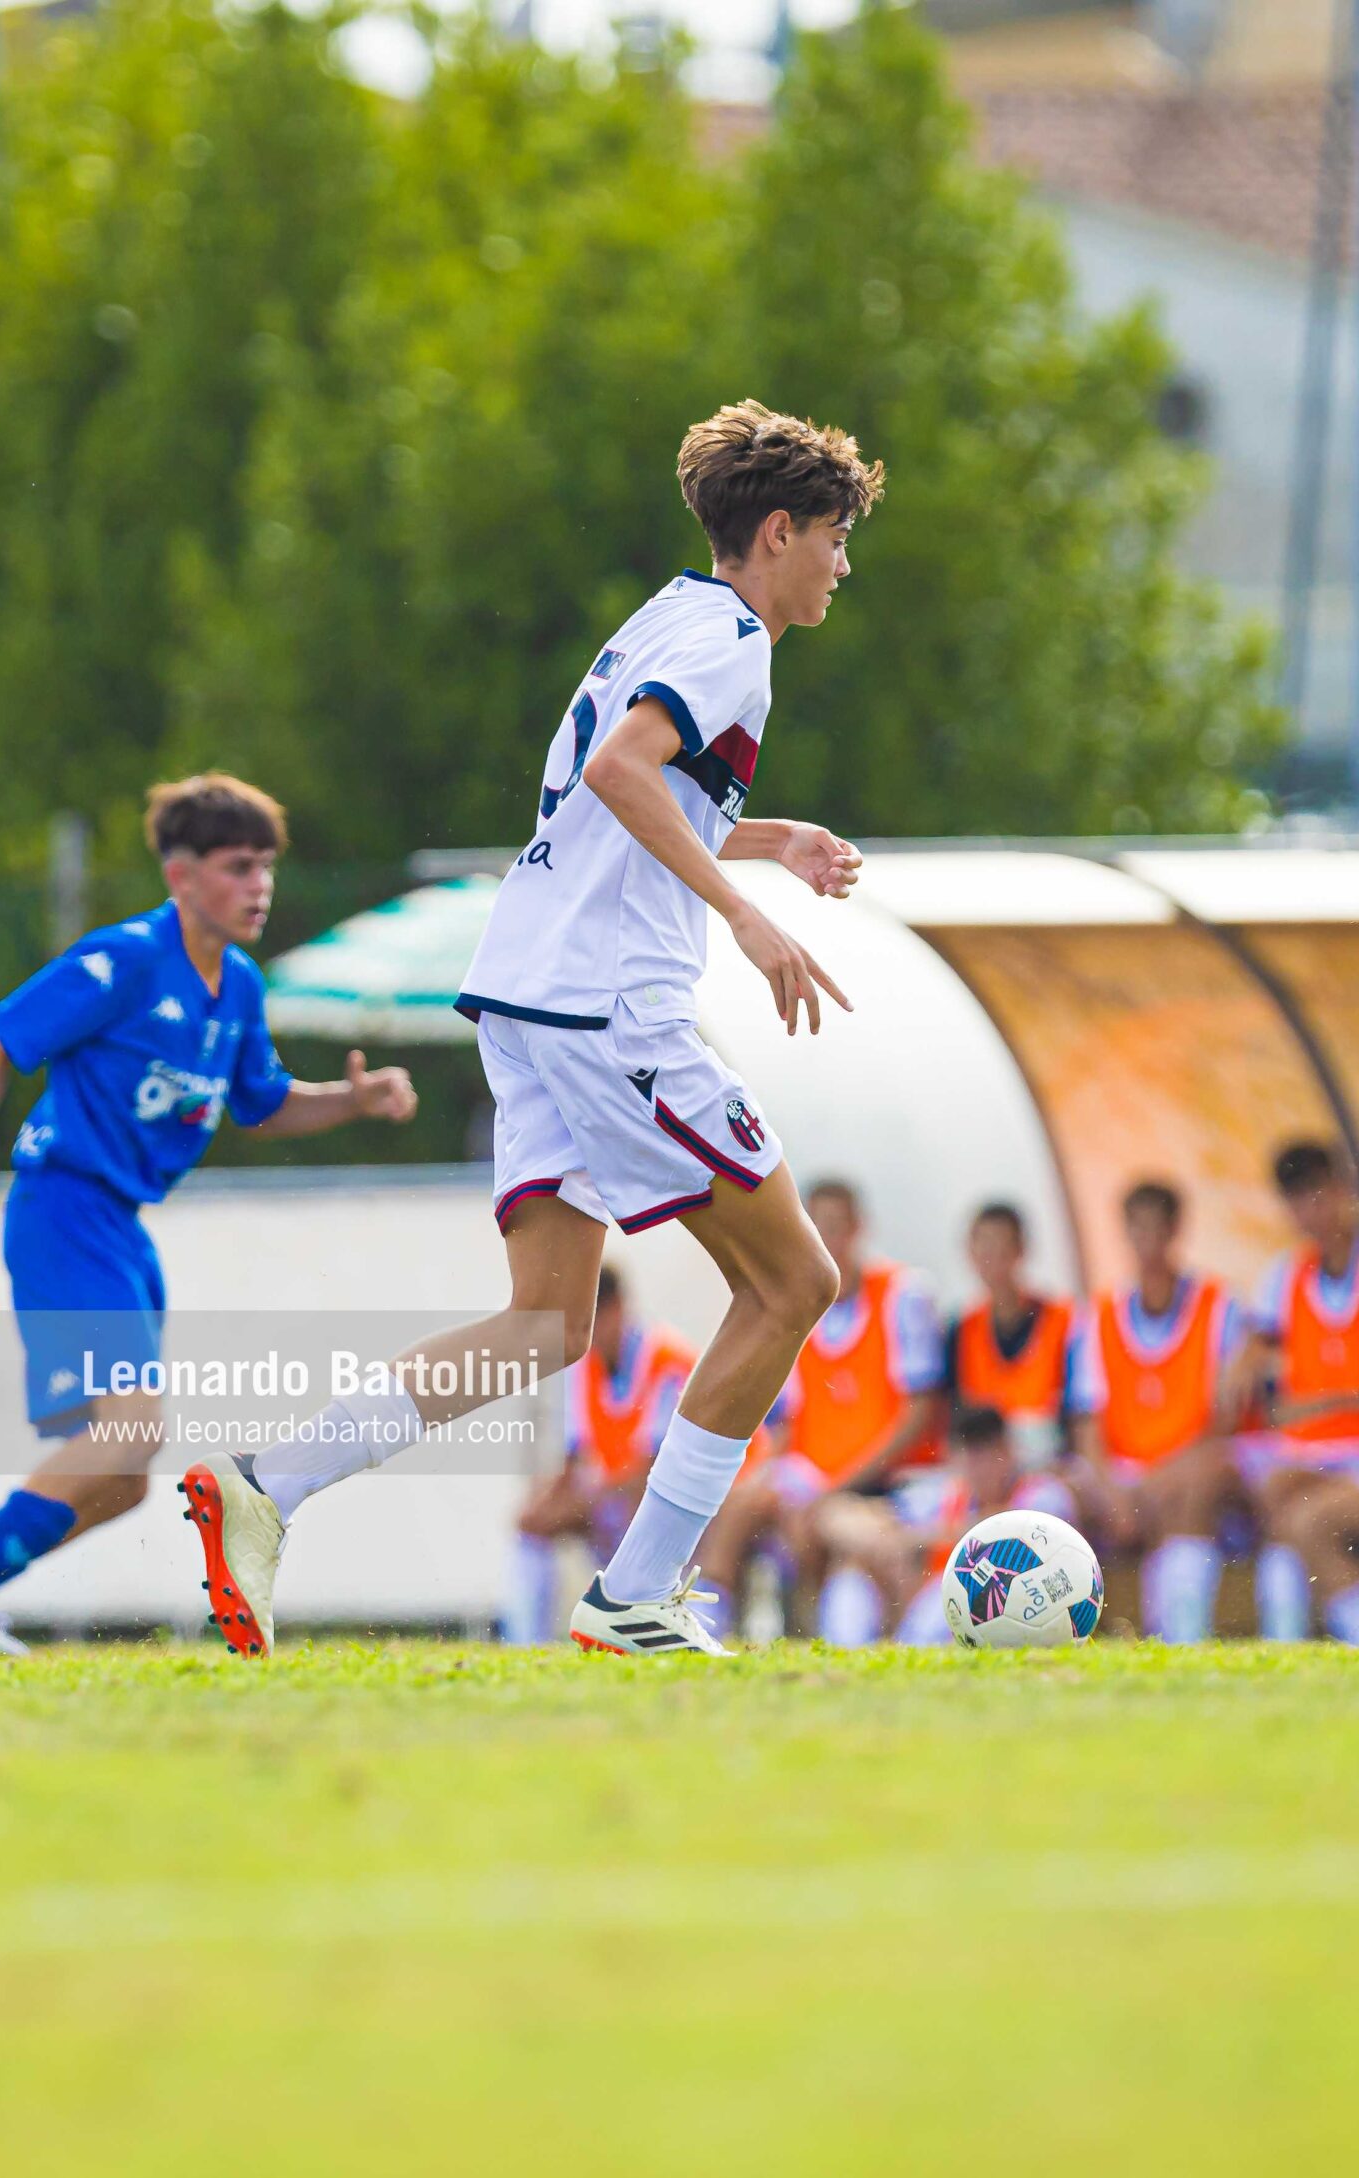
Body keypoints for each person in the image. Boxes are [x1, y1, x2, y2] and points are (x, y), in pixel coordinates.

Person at [169, 400, 882, 1658]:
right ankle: (639, 1590)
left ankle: (264, 1486)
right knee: (795, 1279)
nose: (840, 563)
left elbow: (618, 790)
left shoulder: (663, 618)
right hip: (611, 1002)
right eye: (833, 536)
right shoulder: (733, 641)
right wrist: (747, 916)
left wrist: (770, 839)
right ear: (779, 529)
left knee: (545, 1322)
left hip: (526, 992)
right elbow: (618, 772)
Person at [0, 774, 417, 1656]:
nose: (259, 886)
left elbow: (263, 1104)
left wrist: (350, 1100)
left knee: (121, 1478)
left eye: (266, 867)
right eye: (239, 867)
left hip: (121, 1228)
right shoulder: (123, 960)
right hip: (65, 1210)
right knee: (131, 1432)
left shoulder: (234, 984)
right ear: (181, 874)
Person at [710, 1179, 947, 1640]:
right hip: (818, 1476)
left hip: (890, 1479)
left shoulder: (901, 1294)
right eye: (815, 1227)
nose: (826, 1240)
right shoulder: (797, 1303)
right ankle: (714, 1611)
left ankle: (904, 1619)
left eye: (835, 1227)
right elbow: (787, 1422)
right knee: (740, 1501)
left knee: (841, 1529)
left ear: (858, 1229)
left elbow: (917, 1414)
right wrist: (764, 1478)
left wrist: (838, 1487)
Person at [1230, 1141, 1359, 1645]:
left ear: (1346, 1191)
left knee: (1301, 1519)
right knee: (1269, 1501)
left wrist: (1323, 1405)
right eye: (1297, 1200)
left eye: (1319, 1193)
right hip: (1314, 1454)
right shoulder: (1283, 1277)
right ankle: (1309, 1627)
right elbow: (1237, 1381)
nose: (1311, 1212)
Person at [1068, 1179, 1242, 1643]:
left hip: (1185, 1468)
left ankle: (1182, 1632)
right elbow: (1088, 1424)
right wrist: (1112, 1492)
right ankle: (1053, 1626)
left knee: (1198, 1486)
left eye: (1155, 1229)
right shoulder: (1101, 1314)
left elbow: (1225, 1419)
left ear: (1174, 1232)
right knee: (1052, 1498)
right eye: (1136, 1230)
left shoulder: (1217, 1306)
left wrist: (1157, 1481)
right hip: (1123, 1473)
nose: (1146, 1243)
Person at [501, 1268, 695, 1645]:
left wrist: (587, 1498)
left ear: (618, 1308)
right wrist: (541, 1507)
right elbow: (572, 1460)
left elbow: (655, 1469)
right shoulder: (581, 1364)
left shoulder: (666, 1357)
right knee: (533, 1526)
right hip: (616, 1496)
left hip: (691, 1502)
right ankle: (523, 1642)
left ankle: (659, 1620)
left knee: (637, 1510)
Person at [886, 1406, 1078, 1643]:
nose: (981, 1467)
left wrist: (943, 1534)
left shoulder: (1042, 1494)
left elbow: (1018, 1532)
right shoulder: (944, 1497)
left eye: (988, 1453)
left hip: (1034, 1600)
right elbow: (896, 1533)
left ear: (1008, 1451)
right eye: (971, 1455)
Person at [946, 1201, 1078, 1469]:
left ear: (1021, 1250)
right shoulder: (961, 1330)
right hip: (988, 1471)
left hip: (1051, 1467)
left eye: (1001, 1248)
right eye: (983, 1248)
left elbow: (1079, 1416)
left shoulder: (1063, 1321)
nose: (992, 1259)